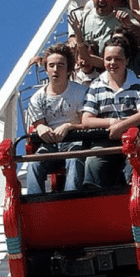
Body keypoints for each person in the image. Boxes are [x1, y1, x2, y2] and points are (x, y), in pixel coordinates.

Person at [80, 36, 140, 188]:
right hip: (106, 138)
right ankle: (95, 197)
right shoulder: (96, 86)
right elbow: (86, 120)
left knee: (139, 156)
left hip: (136, 136)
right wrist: (111, 123)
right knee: (92, 161)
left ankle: (132, 191)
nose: (112, 63)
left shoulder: (139, 85)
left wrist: (122, 126)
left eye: (117, 59)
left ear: (126, 60)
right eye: (108, 59)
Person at [24, 44, 87, 194]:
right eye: (51, 65)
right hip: (51, 144)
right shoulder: (37, 98)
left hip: (76, 140)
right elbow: (38, 124)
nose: (55, 70)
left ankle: (70, 199)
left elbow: (87, 122)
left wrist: (69, 126)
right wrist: (40, 128)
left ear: (69, 69)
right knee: (34, 164)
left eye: (60, 65)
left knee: (74, 157)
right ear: (46, 69)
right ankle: (36, 204)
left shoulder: (80, 92)